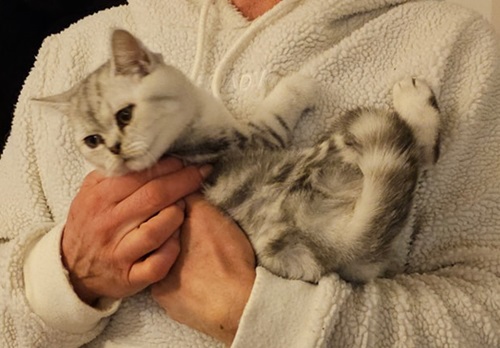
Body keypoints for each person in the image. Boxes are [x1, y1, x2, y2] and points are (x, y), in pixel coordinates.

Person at [1, 0, 499, 346]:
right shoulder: (67, 52)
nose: (112, 148)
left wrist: (258, 314)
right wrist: (66, 273)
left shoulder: (453, 43)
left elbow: (488, 317)